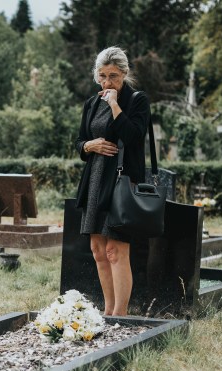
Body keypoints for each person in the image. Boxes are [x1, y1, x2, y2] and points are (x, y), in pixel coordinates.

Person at [74, 46, 151, 316]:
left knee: (115, 250)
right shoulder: (92, 103)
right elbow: (79, 143)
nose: (107, 83)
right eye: (103, 76)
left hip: (121, 182)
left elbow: (133, 137)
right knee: (97, 249)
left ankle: (121, 315)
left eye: (114, 76)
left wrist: (115, 105)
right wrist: (90, 146)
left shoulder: (136, 101)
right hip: (95, 179)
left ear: (125, 74)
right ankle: (107, 312)